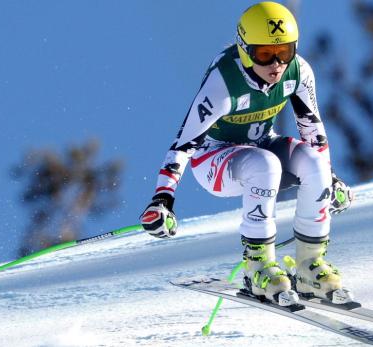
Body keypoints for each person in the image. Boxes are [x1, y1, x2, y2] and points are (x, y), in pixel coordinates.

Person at [140, 1, 354, 305]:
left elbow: (312, 127)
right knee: (264, 163)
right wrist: (163, 199)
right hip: (213, 159)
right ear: (244, 49)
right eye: (265, 54)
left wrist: (330, 180)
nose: (276, 65)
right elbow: (183, 144)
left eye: (285, 52)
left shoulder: (299, 72)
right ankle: (258, 268)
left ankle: (309, 265)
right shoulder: (224, 83)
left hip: (261, 143)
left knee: (313, 163)